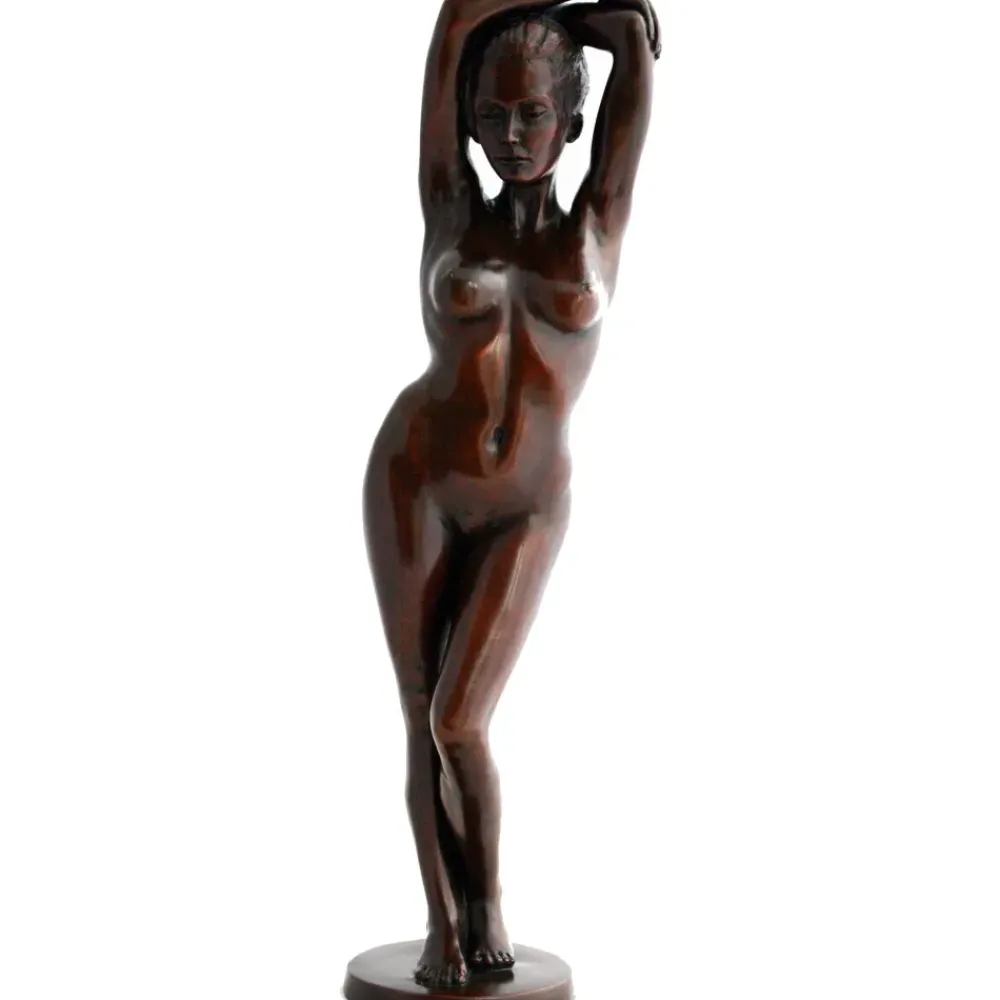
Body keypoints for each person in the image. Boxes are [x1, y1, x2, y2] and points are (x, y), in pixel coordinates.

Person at [362, 0, 658, 986]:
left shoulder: (598, 220)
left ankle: (486, 899)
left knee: (460, 719)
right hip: (414, 477)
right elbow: (452, 30)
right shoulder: (451, 207)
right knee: (420, 715)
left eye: (534, 114)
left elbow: (632, 53)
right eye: (492, 116)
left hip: (528, 503)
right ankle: (444, 922)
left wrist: (594, 22)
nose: (512, 135)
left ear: (571, 124)